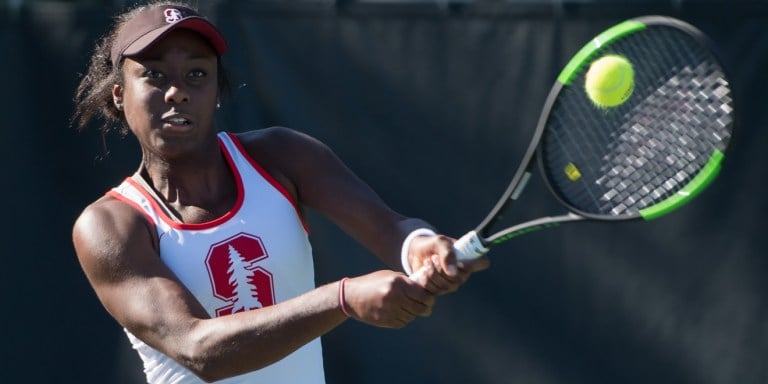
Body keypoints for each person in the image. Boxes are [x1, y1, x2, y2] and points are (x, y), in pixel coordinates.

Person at [70, 1, 489, 383]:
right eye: (155, 74)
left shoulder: (282, 155)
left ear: (217, 93)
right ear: (119, 95)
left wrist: (418, 245)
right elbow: (198, 349)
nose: (177, 91)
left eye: (197, 74)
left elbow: (390, 227)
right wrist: (343, 299)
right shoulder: (108, 225)